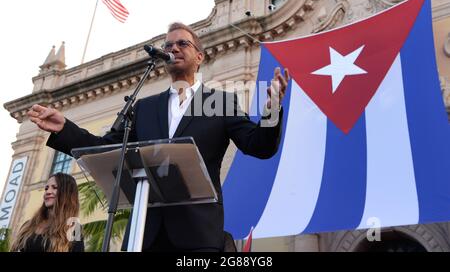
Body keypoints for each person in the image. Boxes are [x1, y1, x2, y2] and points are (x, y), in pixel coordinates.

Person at [27, 22, 289, 252]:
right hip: (145, 233)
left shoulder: (221, 102)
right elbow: (104, 147)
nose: (173, 48)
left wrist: (272, 108)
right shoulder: (144, 107)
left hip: (197, 234)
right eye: (168, 44)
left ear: (199, 57)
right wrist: (64, 128)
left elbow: (260, 146)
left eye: (182, 43)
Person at [10, 172, 84, 252]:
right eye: (46, 188)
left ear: (67, 193)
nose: (48, 192)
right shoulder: (28, 225)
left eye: (54, 187)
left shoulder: (74, 228)